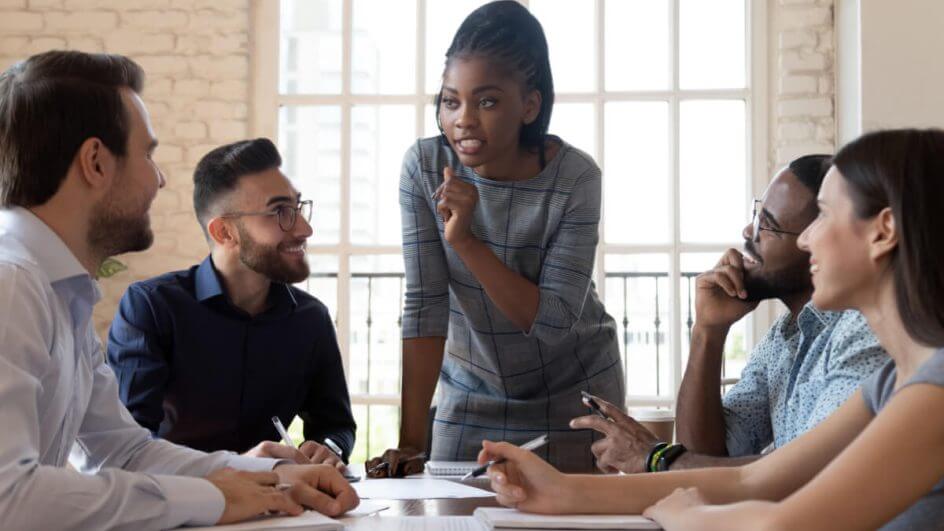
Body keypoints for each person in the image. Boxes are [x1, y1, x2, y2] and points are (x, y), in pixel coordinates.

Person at [479, 128, 944, 530]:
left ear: (883, 231)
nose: (806, 238)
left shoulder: (936, 390)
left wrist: (685, 513)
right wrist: (558, 490)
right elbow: (753, 478)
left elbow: (784, 522)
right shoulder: (895, 382)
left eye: (823, 214)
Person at [0, 51, 357, 529]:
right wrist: (213, 498)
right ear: (96, 163)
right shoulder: (12, 284)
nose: (160, 178)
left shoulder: (59, 291)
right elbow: (8, 498)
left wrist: (277, 473)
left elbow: (122, 451)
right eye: (148, 153)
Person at [367, 0, 625, 475]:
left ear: (530, 105)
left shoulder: (575, 177)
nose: (464, 118)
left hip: (576, 393)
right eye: (451, 100)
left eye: (486, 101)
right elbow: (425, 303)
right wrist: (410, 442)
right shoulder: (423, 168)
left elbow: (552, 321)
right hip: (471, 393)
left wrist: (466, 241)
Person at [571, 155, 885, 473]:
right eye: (756, 215)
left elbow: (810, 474)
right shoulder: (785, 336)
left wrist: (655, 457)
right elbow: (709, 456)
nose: (749, 231)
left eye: (769, 225)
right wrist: (708, 330)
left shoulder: (866, 332)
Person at [107, 138, 356, 469]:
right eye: (280, 211)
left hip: (278, 509)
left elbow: (336, 425)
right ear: (224, 232)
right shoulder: (152, 308)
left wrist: (328, 448)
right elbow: (129, 445)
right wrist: (237, 467)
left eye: (297, 207)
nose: (304, 228)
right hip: (178, 508)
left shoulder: (311, 318)